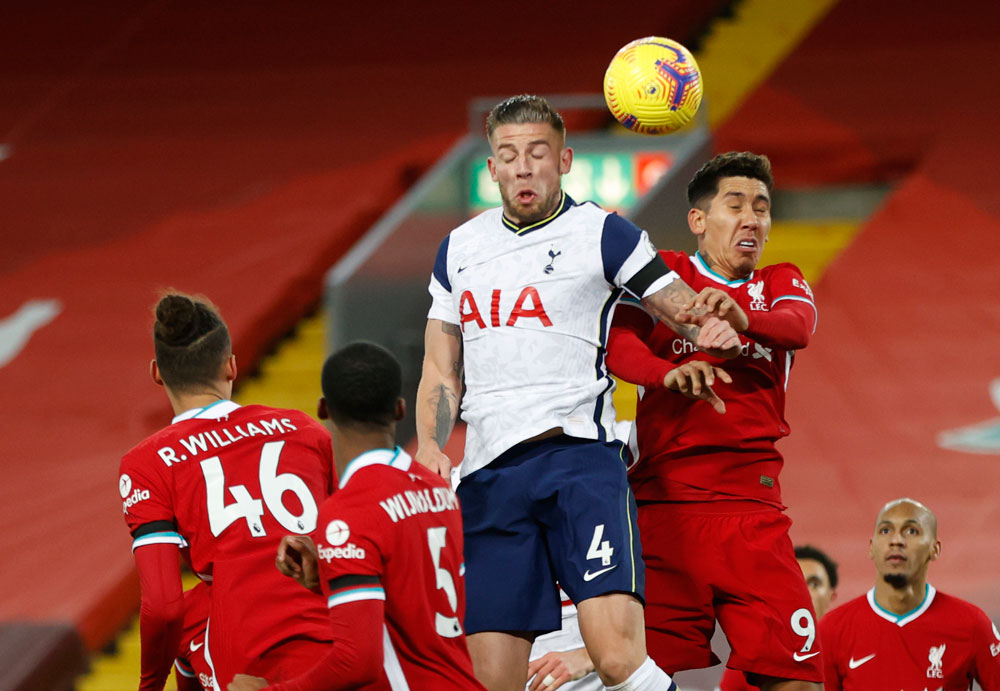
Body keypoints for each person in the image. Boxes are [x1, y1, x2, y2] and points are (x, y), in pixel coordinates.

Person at [415, 93, 742, 691]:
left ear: (564, 160)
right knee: (492, 681)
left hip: (577, 465)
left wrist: (712, 325)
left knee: (616, 657)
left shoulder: (605, 234)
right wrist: (431, 445)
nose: (522, 167)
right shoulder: (459, 249)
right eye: (507, 155)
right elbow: (440, 367)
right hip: (487, 479)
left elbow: (679, 309)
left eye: (536, 153)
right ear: (490, 168)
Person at [605, 152, 822, 690]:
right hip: (664, 512)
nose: (752, 218)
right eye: (736, 204)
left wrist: (741, 318)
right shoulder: (665, 276)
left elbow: (798, 328)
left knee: (795, 678)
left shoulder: (778, 283)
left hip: (753, 513)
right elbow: (617, 343)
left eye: (762, 207)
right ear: (699, 220)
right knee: (639, 677)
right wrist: (667, 375)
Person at [229, 342, 484, 690]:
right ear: (399, 409)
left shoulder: (348, 514)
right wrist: (329, 581)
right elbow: (420, 607)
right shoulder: (439, 492)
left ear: (323, 409)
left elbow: (357, 662)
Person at [119, 294, 335, 690]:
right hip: (344, 645)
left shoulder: (148, 463)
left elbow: (164, 608)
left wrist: (149, 685)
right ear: (231, 365)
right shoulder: (306, 430)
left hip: (251, 661)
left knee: (190, 623)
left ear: (157, 373)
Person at [819, 498, 1000, 690]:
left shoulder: (972, 624)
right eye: (886, 531)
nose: (896, 540)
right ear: (871, 547)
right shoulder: (832, 630)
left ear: (935, 549)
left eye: (912, 531)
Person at [718, 546, 839, 690]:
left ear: (831, 596)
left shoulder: (851, 652)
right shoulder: (753, 662)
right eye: (795, 582)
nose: (803, 592)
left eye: (813, 584)